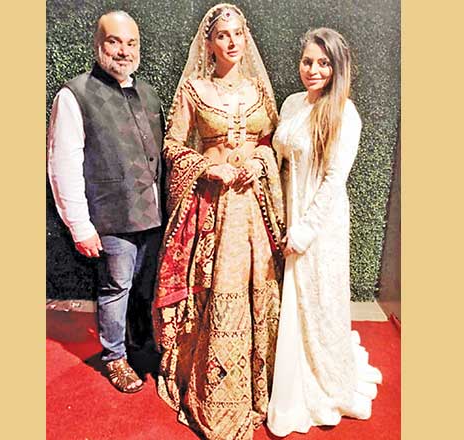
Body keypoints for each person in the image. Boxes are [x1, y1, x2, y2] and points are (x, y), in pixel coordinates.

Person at [152, 4, 285, 439]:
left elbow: (273, 143)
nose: (232, 42)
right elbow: (173, 146)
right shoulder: (194, 90)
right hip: (214, 209)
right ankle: (218, 393)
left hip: (254, 210)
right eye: (223, 35)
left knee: (258, 286)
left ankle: (261, 386)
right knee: (219, 286)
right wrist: (209, 168)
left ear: (246, 38)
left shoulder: (258, 91)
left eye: (238, 34)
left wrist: (259, 162)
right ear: (208, 44)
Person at [267, 28, 383, 436]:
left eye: (323, 63)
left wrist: (304, 232)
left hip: (320, 226)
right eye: (307, 61)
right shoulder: (292, 103)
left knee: (318, 302)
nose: (313, 70)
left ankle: (322, 384)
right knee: (291, 301)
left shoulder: (345, 114)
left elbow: (334, 180)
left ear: (337, 68)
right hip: (288, 213)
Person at [47, 10, 164, 394]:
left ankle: (140, 348)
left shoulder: (148, 93)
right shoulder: (74, 95)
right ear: (98, 45)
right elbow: (62, 163)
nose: (124, 51)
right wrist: (79, 225)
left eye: (131, 43)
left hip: (153, 217)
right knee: (116, 289)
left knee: (144, 287)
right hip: (110, 217)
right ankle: (115, 357)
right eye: (114, 41)